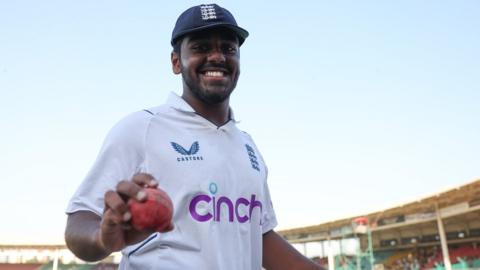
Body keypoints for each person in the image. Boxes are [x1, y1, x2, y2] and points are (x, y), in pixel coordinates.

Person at [64, 3, 324, 270]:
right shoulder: (141, 128)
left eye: (228, 48)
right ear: (176, 62)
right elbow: (78, 222)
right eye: (200, 47)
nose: (218, 57)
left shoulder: (248, 146)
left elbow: (259, 237)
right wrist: (101, 238)